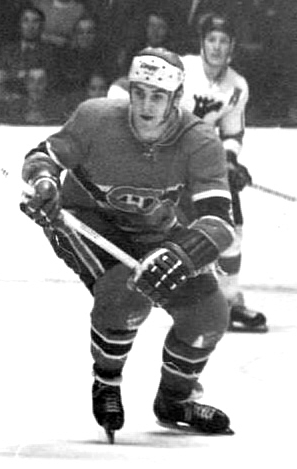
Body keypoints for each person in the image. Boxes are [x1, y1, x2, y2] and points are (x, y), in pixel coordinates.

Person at [19, 47, 235, 441]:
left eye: (158, 96)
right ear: (130, 90)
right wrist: (44, 182)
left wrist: (182, 255)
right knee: (126, 294)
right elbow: (42, 156)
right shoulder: (96, 117)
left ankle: (175, 401)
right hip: (87, 221)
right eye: (139, 93)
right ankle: (107, 382)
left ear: (176, 98)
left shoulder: (199, 140)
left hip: (156, 232)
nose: (146, 106)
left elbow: (220, 222)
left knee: (209, 315)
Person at [180, 13, 266, 333]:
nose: (216, 47)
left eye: (223, 41)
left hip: (202, 162)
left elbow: (232, 132)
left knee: (232, 227)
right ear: (201, 43)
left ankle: (229, 301)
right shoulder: (180, 69)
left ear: (232, 46)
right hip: (166, 160)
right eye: (211, 40)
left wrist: (230, 161)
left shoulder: (237, 86)